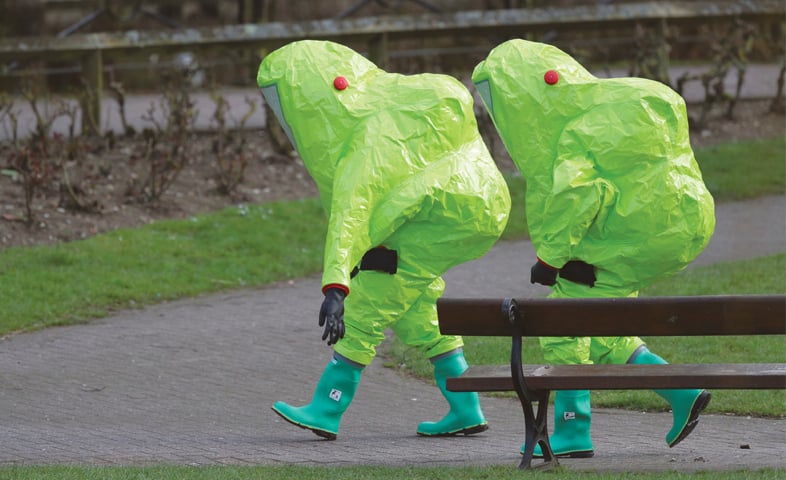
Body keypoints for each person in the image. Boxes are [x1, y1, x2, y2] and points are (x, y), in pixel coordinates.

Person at [471, 39, 716, 458]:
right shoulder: (607, 113)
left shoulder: (575, 130)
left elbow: (578, 196)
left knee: (564, 323)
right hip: (663, 235)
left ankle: (572, 429)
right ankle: (682, 392)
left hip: (618, 246)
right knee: (604, 326)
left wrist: (550, 259)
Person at [257, 40, 511, 440]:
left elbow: (352, 212)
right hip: (473, 208)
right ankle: (466, 407)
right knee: (419, 308)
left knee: (369, 299)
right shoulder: (396, 105)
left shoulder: (370, 136)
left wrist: (337, 286)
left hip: (439, 218)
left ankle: (327, 407)